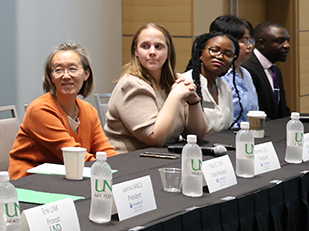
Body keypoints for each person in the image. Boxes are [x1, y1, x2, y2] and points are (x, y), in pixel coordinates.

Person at [8, 42, 116, 179]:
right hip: (31, 182)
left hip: (72, 177)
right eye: (58, 70)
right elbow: (74, 157)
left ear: (86, 74)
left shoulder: (89, 110)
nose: (66, 76)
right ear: (51, 77)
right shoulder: (40, 110)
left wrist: (120, 168)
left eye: (72, 69)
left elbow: (105, 151)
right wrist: (106, 169)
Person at [105, 24, 208, 153]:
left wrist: (193, 102)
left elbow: (197, 135)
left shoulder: (176, 81)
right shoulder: (131, 85)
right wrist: (175, 96)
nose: (152, 52)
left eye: (158, 47)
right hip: (131, 162)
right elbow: (155, 139)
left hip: (167, 156)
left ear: (168, 51)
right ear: (136, 51)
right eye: (145, 46)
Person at [181, 33, 237, 134]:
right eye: (214, 50)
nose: (220, 57)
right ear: (201, 54)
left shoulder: (225, 87)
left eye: (228, 54)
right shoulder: (185, 83)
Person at [209, 15, 257, 127]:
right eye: (244, 41)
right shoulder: (216, 76)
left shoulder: (246, 73)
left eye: (250, 40)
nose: (250, 46)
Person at [243, 21, 292, 119]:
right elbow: (255, 111)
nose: (287, 46)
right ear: (261, 43)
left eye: (287, 40)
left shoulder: (275, 70)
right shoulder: (247, 69)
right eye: (280, 41)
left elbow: (281, 109)